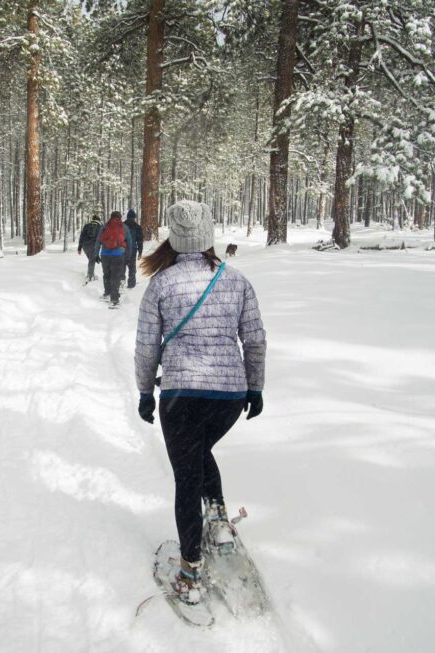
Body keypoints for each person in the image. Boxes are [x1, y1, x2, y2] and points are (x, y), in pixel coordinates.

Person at [134, 200, 266, 605]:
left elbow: (145, 347)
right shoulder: (237, 280)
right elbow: (256, 339)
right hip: (229, 396)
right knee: (199, 453)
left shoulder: (161, 284)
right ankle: (221, 524)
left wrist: (144, 392)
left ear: (174, 237)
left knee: (187, 476)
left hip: (181, 397)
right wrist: (255, 387)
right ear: (208, 234)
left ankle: (190, 571)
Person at [96, 210, 132, 307]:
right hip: (118, 254)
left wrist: (96, 254)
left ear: (111, 217)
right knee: (116, 276)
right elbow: (129, 243)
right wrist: (128, 256)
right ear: (120, 218)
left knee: (106, 274)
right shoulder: (124, 227)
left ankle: (107, 293)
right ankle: (114, 299)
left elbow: (98, 241)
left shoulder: (104, 226)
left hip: (105, 254)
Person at [123, 208, 144, 288]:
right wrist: (140, 252)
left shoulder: (122, 225)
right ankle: (131, 284)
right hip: (132, 249)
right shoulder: (137, 226)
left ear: (128, 217)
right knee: (132, 267)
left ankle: (121, 282)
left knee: (122, 266)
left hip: (122, 249)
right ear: (134, 217)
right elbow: (140, 240)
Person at [77, 215, 102, 282]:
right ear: (99, 220)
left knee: (91, 260)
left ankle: (91, 274)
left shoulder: (87, 226)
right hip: (94, 246)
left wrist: (79, 248)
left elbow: (81, 237)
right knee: (92, 260)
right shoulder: (100, 227)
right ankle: (90, 276)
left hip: (85, 246)